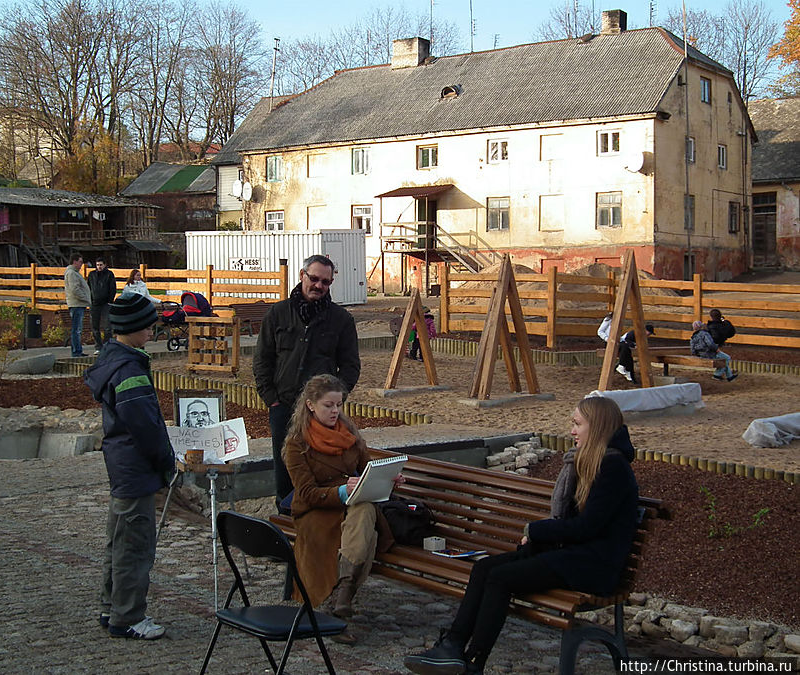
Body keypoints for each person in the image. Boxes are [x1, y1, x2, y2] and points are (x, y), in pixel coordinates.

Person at [404, 396, 638, 675]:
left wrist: (536, 530)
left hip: (594, 566)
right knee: (483, 568)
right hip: (573, 556)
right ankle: (452, 647)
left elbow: (587, 528)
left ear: (597, 427)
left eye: (577, 424)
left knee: (501, 579)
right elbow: (576, 527)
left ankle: (474, 663)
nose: (572, 431)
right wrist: (538, 539)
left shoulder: (613, 467)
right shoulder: (591, 461)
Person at [84, 293, 176, 640]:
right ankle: (129, 616)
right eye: (148, 324)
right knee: (135, 545)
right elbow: (146, 428)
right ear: (133, 327)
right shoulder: (130, 371)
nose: (153, 329)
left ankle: (112, 606)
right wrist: (166, 463)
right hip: (136, 469)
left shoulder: (114, 359)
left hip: (122, 466)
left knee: (119, 540)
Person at [282, 374, 388, 645]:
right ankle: (342, 597)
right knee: (364, 531)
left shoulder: (348, 433)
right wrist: (342, 491)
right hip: (317, 508)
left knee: (365, 510)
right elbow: (306, 493)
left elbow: (367, 468)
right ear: (310, 405)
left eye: (339, 405)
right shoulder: (297, 444)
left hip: (352, 505)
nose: (335, 411)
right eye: (328, 405)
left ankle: (342, 592)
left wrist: (387, 478)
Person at [253, 254, 361, 513]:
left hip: (321, 413)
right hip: (284, 405)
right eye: (314, 279)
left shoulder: (341, 320)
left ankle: (315, 520)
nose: (319, 286)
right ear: (302, 276)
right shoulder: (277, 314)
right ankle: (286, 519)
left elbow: (350, 366)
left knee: (320, 466)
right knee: (285, 467)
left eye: (325, 282)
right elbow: (262, 360)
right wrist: (271, 398)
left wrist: (332, 402)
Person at [88, 257, 117, 354]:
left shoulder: (109, 274)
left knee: (107, 326)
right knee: (95, 326)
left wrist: (110, 300)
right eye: (97, 265)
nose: (99, 267)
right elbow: (89, 287)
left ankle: (107, 346)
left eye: (101, 265)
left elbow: (112, 288)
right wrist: (90, 300)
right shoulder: (92, 275)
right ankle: (98, 347)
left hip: (106, 303)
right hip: (94, 303)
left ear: (105, 265)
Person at [64, 253, 90, 357]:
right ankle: (76, 351)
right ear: (74, 262)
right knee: (76, 329)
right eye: (80, 262)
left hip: (79, 304)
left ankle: (78, 350)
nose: (81, 264)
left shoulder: (75, 273)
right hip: (76, 304)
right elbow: (75, 289)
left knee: (78, 329)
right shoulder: (71, 273)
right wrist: (85, 298)